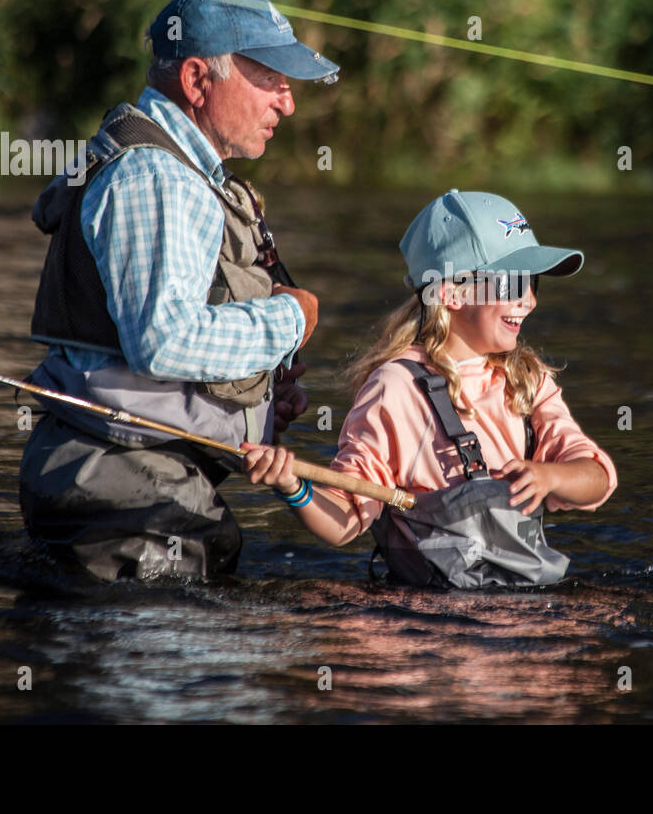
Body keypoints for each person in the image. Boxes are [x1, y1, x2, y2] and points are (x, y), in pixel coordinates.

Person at [18, 0, 337, 582]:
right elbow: (163, 341)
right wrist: (289, 320)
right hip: (123, 491)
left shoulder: (171, 168)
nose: (287, 104)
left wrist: (258, 400)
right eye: (270, 77)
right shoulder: (157, 178)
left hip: (129, 482)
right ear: (196, 81)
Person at [243, 189, 618, 587]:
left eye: (534, 283)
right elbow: (346, 519)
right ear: (453, 293)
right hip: (428, 621)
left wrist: (550, 477)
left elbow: (597, 478)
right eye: (513, 283)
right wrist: (291, 486)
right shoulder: (396, 387)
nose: (529, 301)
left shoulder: (529, 381)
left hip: (522, 609)